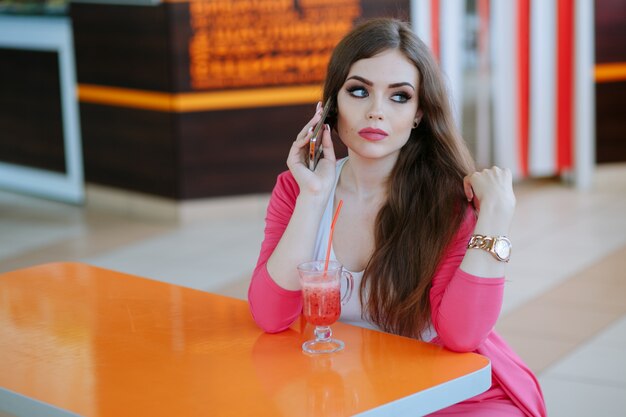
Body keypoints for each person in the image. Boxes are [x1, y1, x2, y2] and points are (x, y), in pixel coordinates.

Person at [248, 18, 546, 417]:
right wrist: (313, 196)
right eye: (359, 91)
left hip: (446, 395)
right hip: (341, 388)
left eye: (399, 97)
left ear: (420, 113)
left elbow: (461, 336)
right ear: (332, 106)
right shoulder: (296, 188)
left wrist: (494, 218)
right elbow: (271, 315)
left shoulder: (448, 199)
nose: (376, 112)